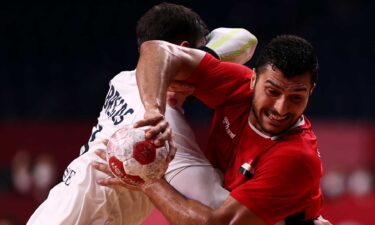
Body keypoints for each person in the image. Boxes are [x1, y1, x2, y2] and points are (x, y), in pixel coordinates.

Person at [26, 3, 257, 225]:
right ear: (183, 49)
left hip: (52, 212)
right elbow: (223, 214)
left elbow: (245, 39)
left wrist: (198, 59)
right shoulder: (160, 131)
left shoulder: (123, 80)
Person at [93, 34, 328, 225]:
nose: (281, 108)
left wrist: (147, 180)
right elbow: (156, 50)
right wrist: (154, 111)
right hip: (225, 205)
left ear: (311, 92)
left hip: (251, 219)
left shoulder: (296, 158)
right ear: (253, 79)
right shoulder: (238, 87)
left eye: (296, 97)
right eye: (273, 91)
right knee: (146, 86)